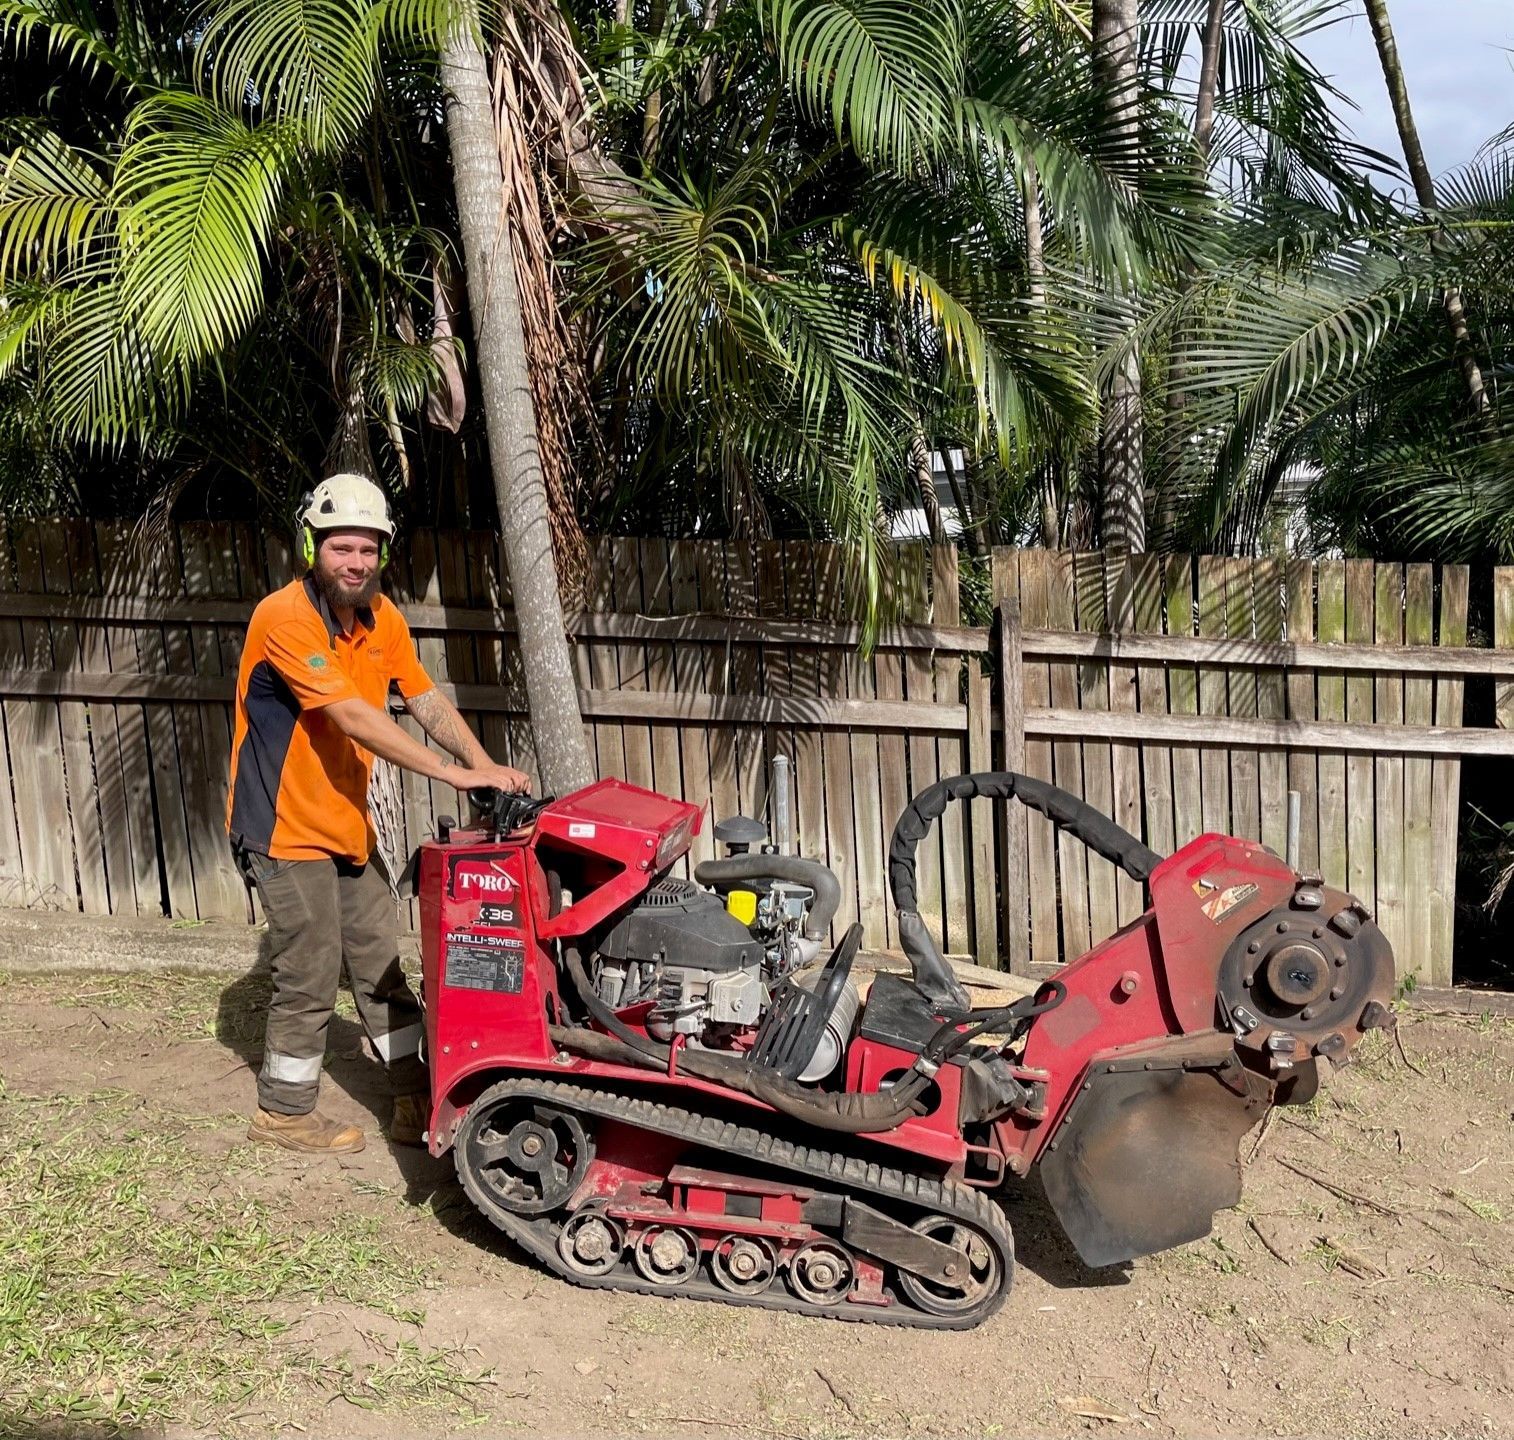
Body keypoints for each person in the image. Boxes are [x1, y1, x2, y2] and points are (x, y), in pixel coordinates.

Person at [226, 473, 529, 1155]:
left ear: (382, 554)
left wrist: (484, 770)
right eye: (341, 548)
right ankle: (284, 1111)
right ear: (313, 547)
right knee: (308, 966)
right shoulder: (286, 617)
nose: (355, 563)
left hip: (343, 824)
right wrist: (453, 773)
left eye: (367, 550)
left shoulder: (381, 618)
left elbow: (424, 700)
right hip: (282, 826)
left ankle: (413, 1096)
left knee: (380, 964)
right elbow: (352, 716)